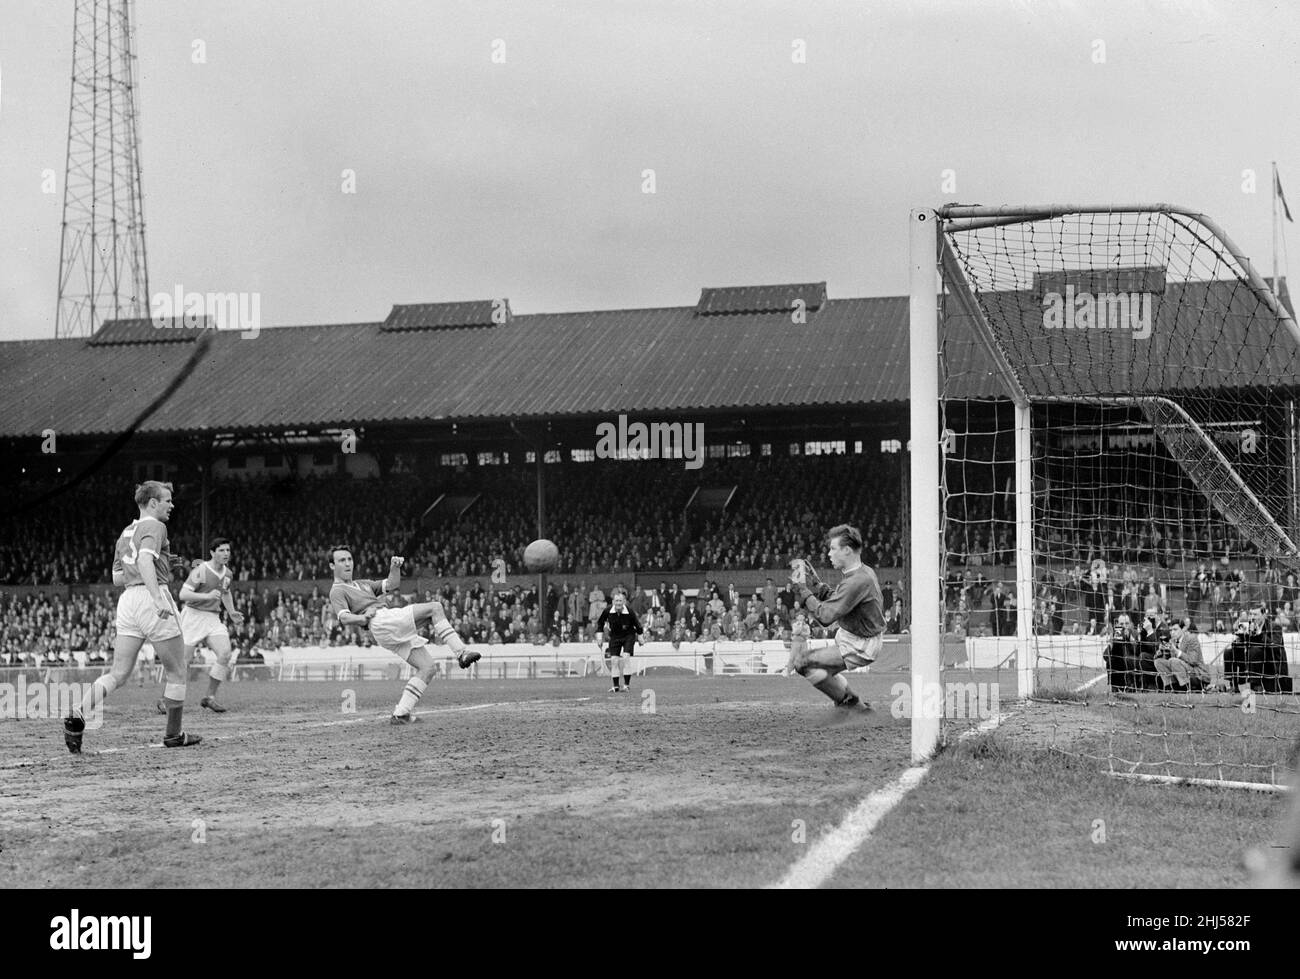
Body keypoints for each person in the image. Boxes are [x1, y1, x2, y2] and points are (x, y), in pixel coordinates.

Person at [63, 481, 202, 753]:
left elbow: (117, 578)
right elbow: (143, 562)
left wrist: (162, 563)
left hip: (127, 602)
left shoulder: (126, 532)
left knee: (118, 673)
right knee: (177, 672)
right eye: (167, 500)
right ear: (152, 503)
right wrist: (157, 596)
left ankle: (78, 712)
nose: (171, 505)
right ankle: (174, 734)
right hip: (152, 598)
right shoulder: (156, 526)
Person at [328, 546, 481, 724]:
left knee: (427, 668)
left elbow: (391, 584)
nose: (347, 563)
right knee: (435, 608)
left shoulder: (362, 583)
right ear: (332, 566)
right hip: (381, 620)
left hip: (385, 629)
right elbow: (344, 617)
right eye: (341, 560)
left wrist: (395, 567)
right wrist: (363, 618)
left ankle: (401, 713)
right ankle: (461, 652)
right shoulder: (337, 590)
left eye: (349, 559)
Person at [786, 524, 884, 713]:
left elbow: (825, 616)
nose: (828, 554)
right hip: (854, 636)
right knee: (818, 669)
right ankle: (854, 705)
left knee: (802, 663)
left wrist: (803, 591)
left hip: (860, 643)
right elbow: (845, 601)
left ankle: (851, 705)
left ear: (847, 550)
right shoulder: (862, 572)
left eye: (832, 549)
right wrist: (820, 587)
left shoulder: (857, 581)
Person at [157, 537, 244, 714]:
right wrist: (207, 596)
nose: (226, 553)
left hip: (213, 618)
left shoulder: (228, 574)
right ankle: (165, 700)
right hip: (193, 617)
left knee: (225, 653)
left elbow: (225, 593)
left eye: (227, 550)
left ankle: (209, 697)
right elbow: (183, 594)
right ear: (212, 552)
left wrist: (232, 611)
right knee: (183, 663)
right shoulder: (201, 570)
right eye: (221, 550)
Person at [595, 588, 642, 693]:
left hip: (628, 635)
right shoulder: (607, 611)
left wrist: (640, 637)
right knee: (614, 660)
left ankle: (626, 685)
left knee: (626, 657)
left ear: (624, 602)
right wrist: (599, 638)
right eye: (616, 601)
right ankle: (616, 687)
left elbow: (637, 624)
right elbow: (600, 624)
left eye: (620, 601)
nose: (618, 603)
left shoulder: (629, 611)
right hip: (615, 637)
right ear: (613, 602)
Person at [1154, 617, 1210, 692]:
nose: (1172, 632)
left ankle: (1185, 687)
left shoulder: (1192, 638)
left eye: (1175, 629)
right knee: (1158, 662)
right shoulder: (1172, 641)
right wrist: (1160, 653)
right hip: (1180, 671)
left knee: (1173, 661)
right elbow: (1169, 662)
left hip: (1197, 674)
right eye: (1171, 630)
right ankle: (1171, 687)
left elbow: (1193, 660)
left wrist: (1176, 651)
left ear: (1183, 629)